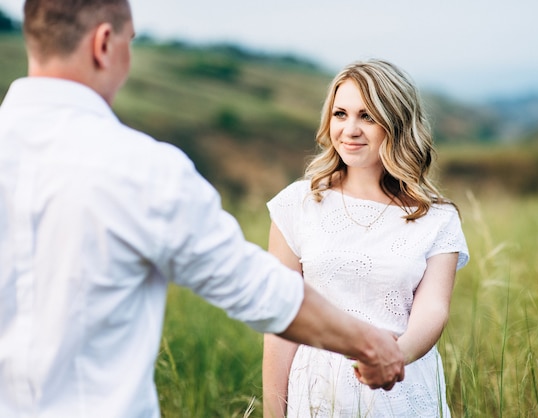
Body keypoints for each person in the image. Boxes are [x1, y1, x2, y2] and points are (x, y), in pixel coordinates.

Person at [0, 2, 406, 417]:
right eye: (130, 41)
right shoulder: (143, 170)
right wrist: (371, 345)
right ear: (104, 44)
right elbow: (258, 289)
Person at [263, 59, 470, 417]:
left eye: (368, 116)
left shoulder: (438, 217)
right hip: (317, 391)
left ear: (397, 123)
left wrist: (391, 359)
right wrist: (273, 413)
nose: (350, 129)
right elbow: (281, 322)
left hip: (401, 388)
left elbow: (433, 310)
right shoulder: (296, 205)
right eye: (340, 114)